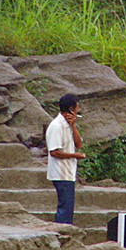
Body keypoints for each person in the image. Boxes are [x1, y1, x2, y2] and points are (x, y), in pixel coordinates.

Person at [45, 93, 86, 224]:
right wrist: (75, 156)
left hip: (68, 172)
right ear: (70, 108)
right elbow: (54, 152)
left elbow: (79, 144)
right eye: (77, 107)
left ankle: (65, 231)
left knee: (68, 207)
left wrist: (73, 126)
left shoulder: (68, 124)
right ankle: (62, 233)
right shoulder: (56, 126)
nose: (78, 110)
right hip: (60, 173)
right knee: (65, 207)